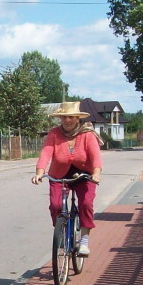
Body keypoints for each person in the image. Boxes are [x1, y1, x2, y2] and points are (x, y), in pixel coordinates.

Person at [31, 102, 102, 255]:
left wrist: (96, 173)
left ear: (77, 118)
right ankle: (61, 231)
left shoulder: (87, 134)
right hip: (59, 175)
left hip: (84, 175)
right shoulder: (54, 134)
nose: (67, 120)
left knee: (86, 204)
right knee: (56, 205)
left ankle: (84, 241)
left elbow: (96, 156)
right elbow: (45, 154)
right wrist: (39, 172)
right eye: (64, 117)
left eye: (71, 117)